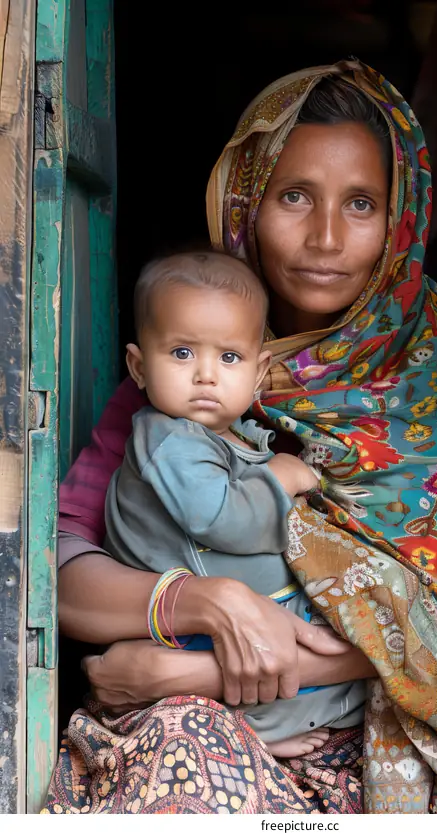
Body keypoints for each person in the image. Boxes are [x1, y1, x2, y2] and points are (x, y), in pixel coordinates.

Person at [45, 59, 437, 815]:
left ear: (403, 220)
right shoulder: (188, 374)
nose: (327, 236)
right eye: (295, 196)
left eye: (361, 203)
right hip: (208, 733)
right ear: (247, 202)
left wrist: (186, 675)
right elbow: (63, 580)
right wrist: (206, 603)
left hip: (388, 741)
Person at [104, 249, 367, 757]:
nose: (206, 375)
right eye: (182, 353)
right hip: (198, 628)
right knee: (320, 654)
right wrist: (279, 477)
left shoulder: (227, 435)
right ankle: (261, 733)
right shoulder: (168, 438)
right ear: (138, 366)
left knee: (345, 646)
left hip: (249, 607)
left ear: (259, 369)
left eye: (229, 358)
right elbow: (218, 518)